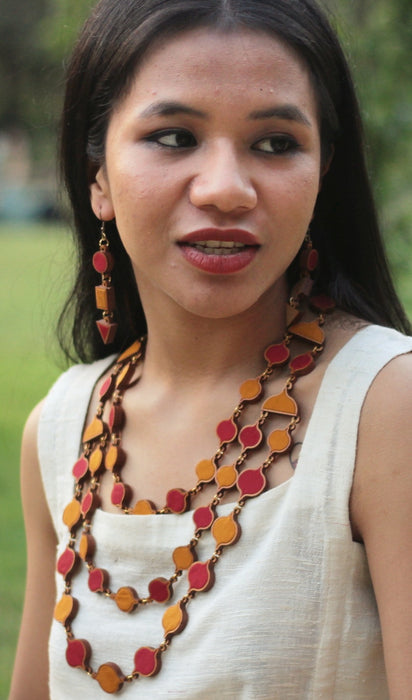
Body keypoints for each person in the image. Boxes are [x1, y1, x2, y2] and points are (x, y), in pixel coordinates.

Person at [9, 0, 412, 698]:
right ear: (98, 175)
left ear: (323, 174)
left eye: (276, 144)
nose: (226, 189)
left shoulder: (383, 409)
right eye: (173, 137)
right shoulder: (61, 427)